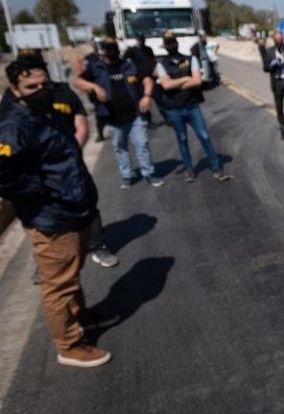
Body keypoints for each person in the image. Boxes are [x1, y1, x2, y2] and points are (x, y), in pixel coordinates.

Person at [0, 56, 114, 367]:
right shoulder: (12, 125)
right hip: (51, 215)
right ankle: (70, 345)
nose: (40, 90)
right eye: (31, 86)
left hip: (71, 206)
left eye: (44, 84)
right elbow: (4, 174)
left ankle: (82, 317)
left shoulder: (41, 110)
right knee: (58, 285)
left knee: (71, 274)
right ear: (15, 88)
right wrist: (41, 191)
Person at [16, 50, 120, 270]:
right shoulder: (16, 104)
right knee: (43, 217)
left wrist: (66, 156)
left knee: (88, 206)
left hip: (71, 166)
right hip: (40, 174)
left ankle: (96, 245)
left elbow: (81, 126)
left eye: (36, 65)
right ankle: (44, 262)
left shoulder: (62, 93)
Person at [74, 37, 164, 190]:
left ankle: (149, 173)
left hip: (135, 115)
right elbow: (78, 82)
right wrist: (95, 87)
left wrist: (147, 96)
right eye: (108, 49)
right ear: (103, 51)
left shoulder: (129, 65)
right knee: (120, 148)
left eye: (114, 48)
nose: (112, 52)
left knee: (142, 145)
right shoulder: (96, 68)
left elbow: (147, 80)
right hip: (113, 118)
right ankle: (127, 176)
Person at [155, 31, 232, 183]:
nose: (171, 45)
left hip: (192, 106)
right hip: (174, 108)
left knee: (204, 136)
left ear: (177, 43)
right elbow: (166, 85)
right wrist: (185, 78)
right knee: (182, 139)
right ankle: (189, 170)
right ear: (165, 46)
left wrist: (175, 83)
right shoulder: (161, 64)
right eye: (168, 43)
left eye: (173, 42)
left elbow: (197, 81)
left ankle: (217, 168)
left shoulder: (190, 59)